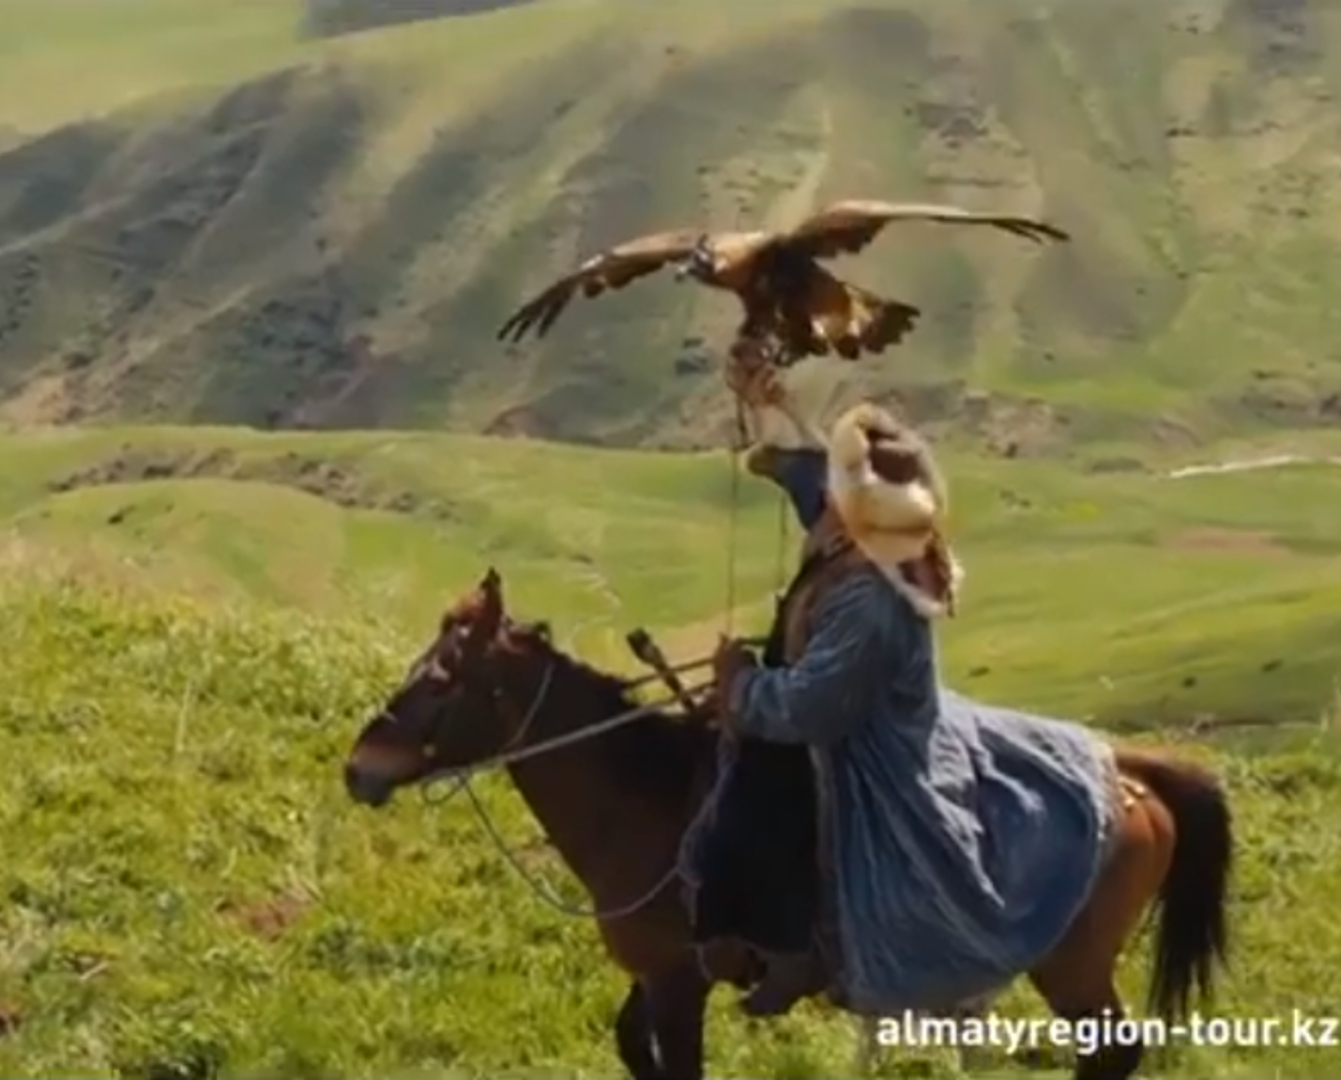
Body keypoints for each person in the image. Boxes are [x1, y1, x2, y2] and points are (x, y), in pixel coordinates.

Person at [683, 349, 1124, 1019]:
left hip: (871, 756)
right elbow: (806, 474)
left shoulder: (871, 600)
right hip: (851, 716)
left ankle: (790, 952)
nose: (823, 491)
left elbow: (810, 708)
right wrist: (763, 399)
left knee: (756, 817)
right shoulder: (859, 537)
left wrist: (738, 683)